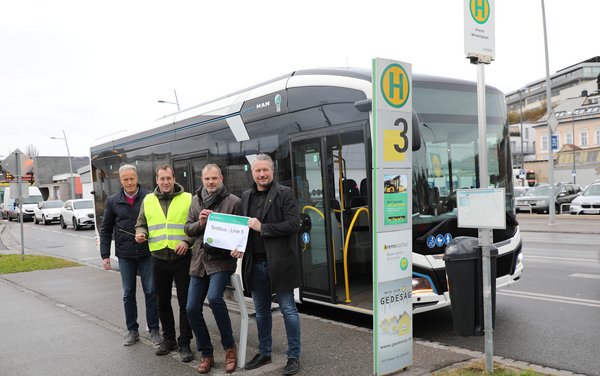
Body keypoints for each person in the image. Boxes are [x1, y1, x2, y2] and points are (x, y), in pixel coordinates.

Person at [231, 154, 302, 375]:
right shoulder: (246, 196)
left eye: (265, 170)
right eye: (257, 171)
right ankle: (265, 352)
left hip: (280, 262)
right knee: (261, 312)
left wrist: (264, 228)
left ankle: (293, 357)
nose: (262, 174)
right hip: (256, 264)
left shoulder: (285, 193)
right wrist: (239, 245)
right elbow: (244, 229)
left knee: (289, 310)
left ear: (272, 171)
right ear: (252, 173)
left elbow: (294, 224)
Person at [184, 164, 241, 374]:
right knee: (191, 308)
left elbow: (240, 233)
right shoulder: (196, 201)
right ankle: (206, 353)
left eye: (214, 178)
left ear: (221, 179)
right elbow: (187, 229)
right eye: (207, 179)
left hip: (221, 262)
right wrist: (200, 223)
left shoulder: (233, 202)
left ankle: (229, 348)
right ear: (202, 179)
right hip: (199, 262)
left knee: (215, 298)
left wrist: (238, 249)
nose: (210, 182)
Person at [135, 165, 195, 363]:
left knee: (185, 303)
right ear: (156, 180)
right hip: (158, 257)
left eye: (168, 178)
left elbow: (196, 225)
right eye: (162, 179)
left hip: (183, 258)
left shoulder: (188, 198)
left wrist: (187, 242)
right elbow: (141, 222)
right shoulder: (148, 200)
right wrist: (140, 233)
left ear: (174, 178)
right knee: (162, 302)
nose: (166, 182)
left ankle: (185, 342)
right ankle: (169, 339)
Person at [99, 164, 162, 347]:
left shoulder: (150, 197)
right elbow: (106, 230)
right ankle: (132, 331)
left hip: (146, 253)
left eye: (132, 178)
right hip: (125, 255)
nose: (129, 182)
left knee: (151, 292)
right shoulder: (112, 201)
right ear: (121, 181)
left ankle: (154, 330)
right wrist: (105, 255)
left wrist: (147, 236)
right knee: (128, 294)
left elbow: (157, 223)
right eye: (125, 179)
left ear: (137, 178)